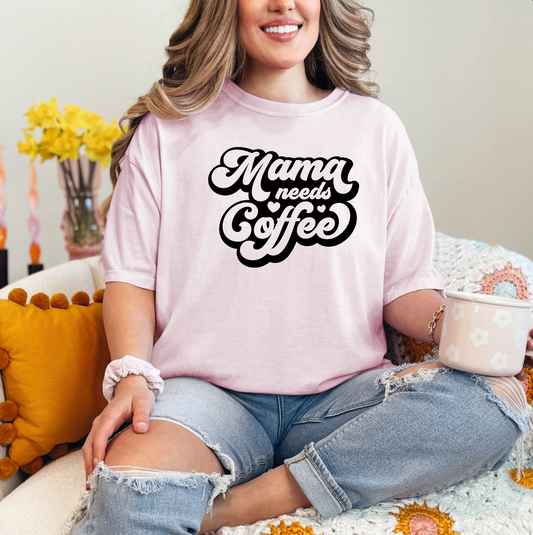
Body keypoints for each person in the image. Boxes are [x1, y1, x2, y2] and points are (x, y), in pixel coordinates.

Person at [71, 1, 532, 533]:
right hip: (206, 399)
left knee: (495, 401)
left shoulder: (375, 129)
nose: (284, 5)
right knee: (128, 490)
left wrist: (471, 330)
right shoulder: (167, 130)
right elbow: (131, 277)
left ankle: (234, 508)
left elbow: (404, 289)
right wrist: (131, 374)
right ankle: (277, 486)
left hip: (342, 400)